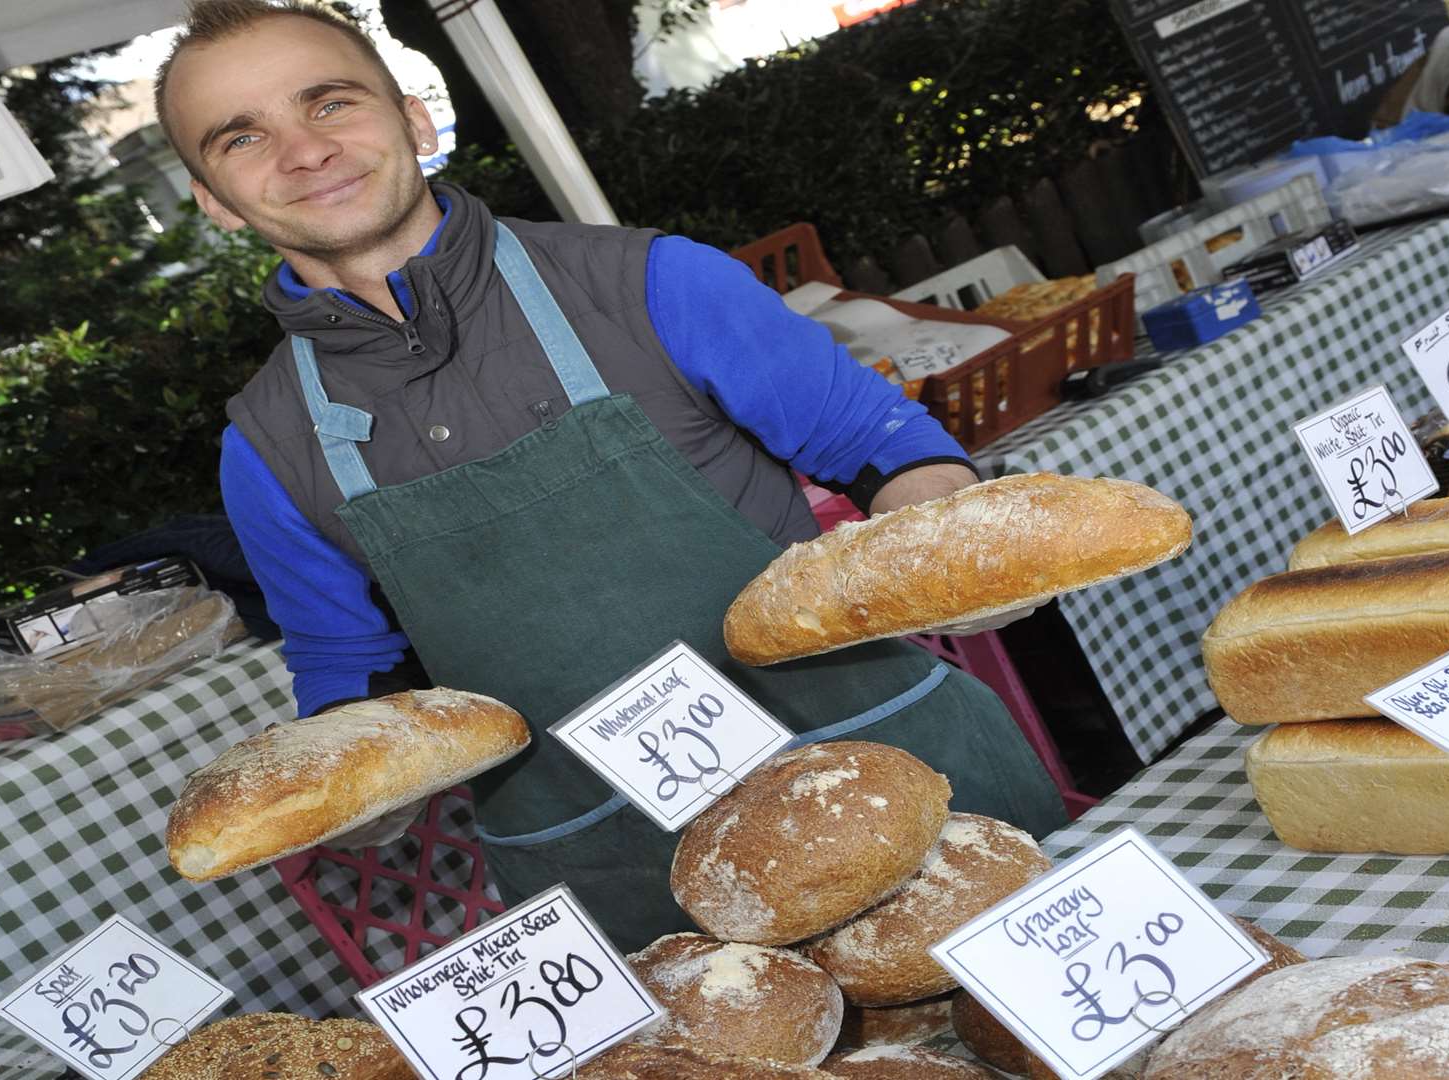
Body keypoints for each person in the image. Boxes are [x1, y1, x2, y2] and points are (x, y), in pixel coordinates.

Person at [155, 0, 1066, 947]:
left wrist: (958, 545)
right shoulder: (264, 446)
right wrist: (347, 800)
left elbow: (881, 445)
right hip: (612, 872)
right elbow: (351, 677)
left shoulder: (652, 281)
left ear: (415, 119)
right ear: (214, 199)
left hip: (887, 784)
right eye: (242, 137)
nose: (304, 151)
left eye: (331, 102)